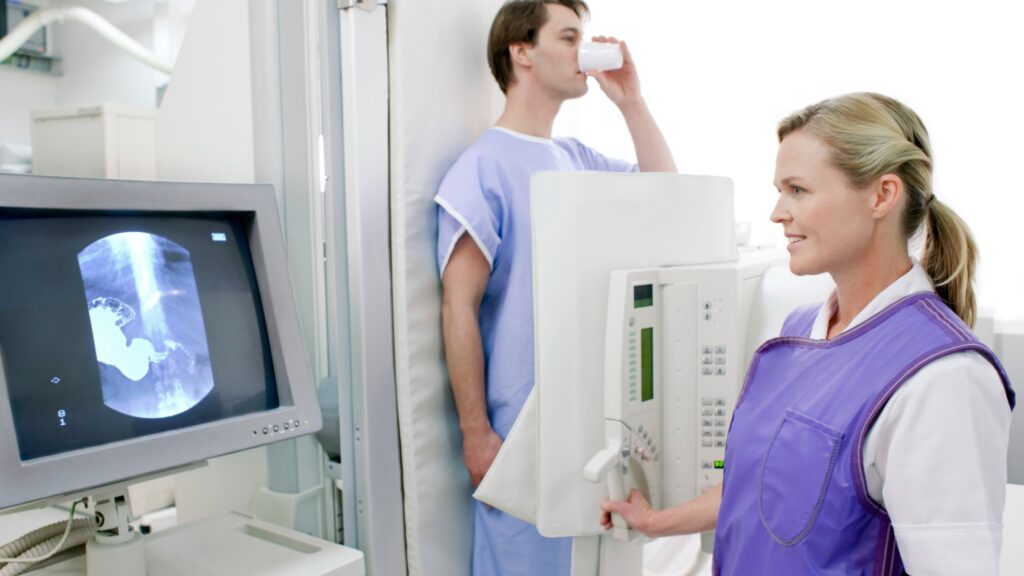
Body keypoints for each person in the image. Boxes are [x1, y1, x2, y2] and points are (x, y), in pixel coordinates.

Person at [602, 92, 1015, 575]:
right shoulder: (798, 333)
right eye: (780, 190)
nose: (778, 212)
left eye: (798, 190)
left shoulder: (943, 378)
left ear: (882, 195)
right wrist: (656, 521)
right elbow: (760, 494)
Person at [436, 1, 676, 574]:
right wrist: (476, 434)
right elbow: (458, 305)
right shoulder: (482, 167)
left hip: (588, 428)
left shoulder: (575, 157)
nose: (582, 52)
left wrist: (632, 102)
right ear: (522, 51)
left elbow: (668, 195)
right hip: (522, 436)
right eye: (568, 38)